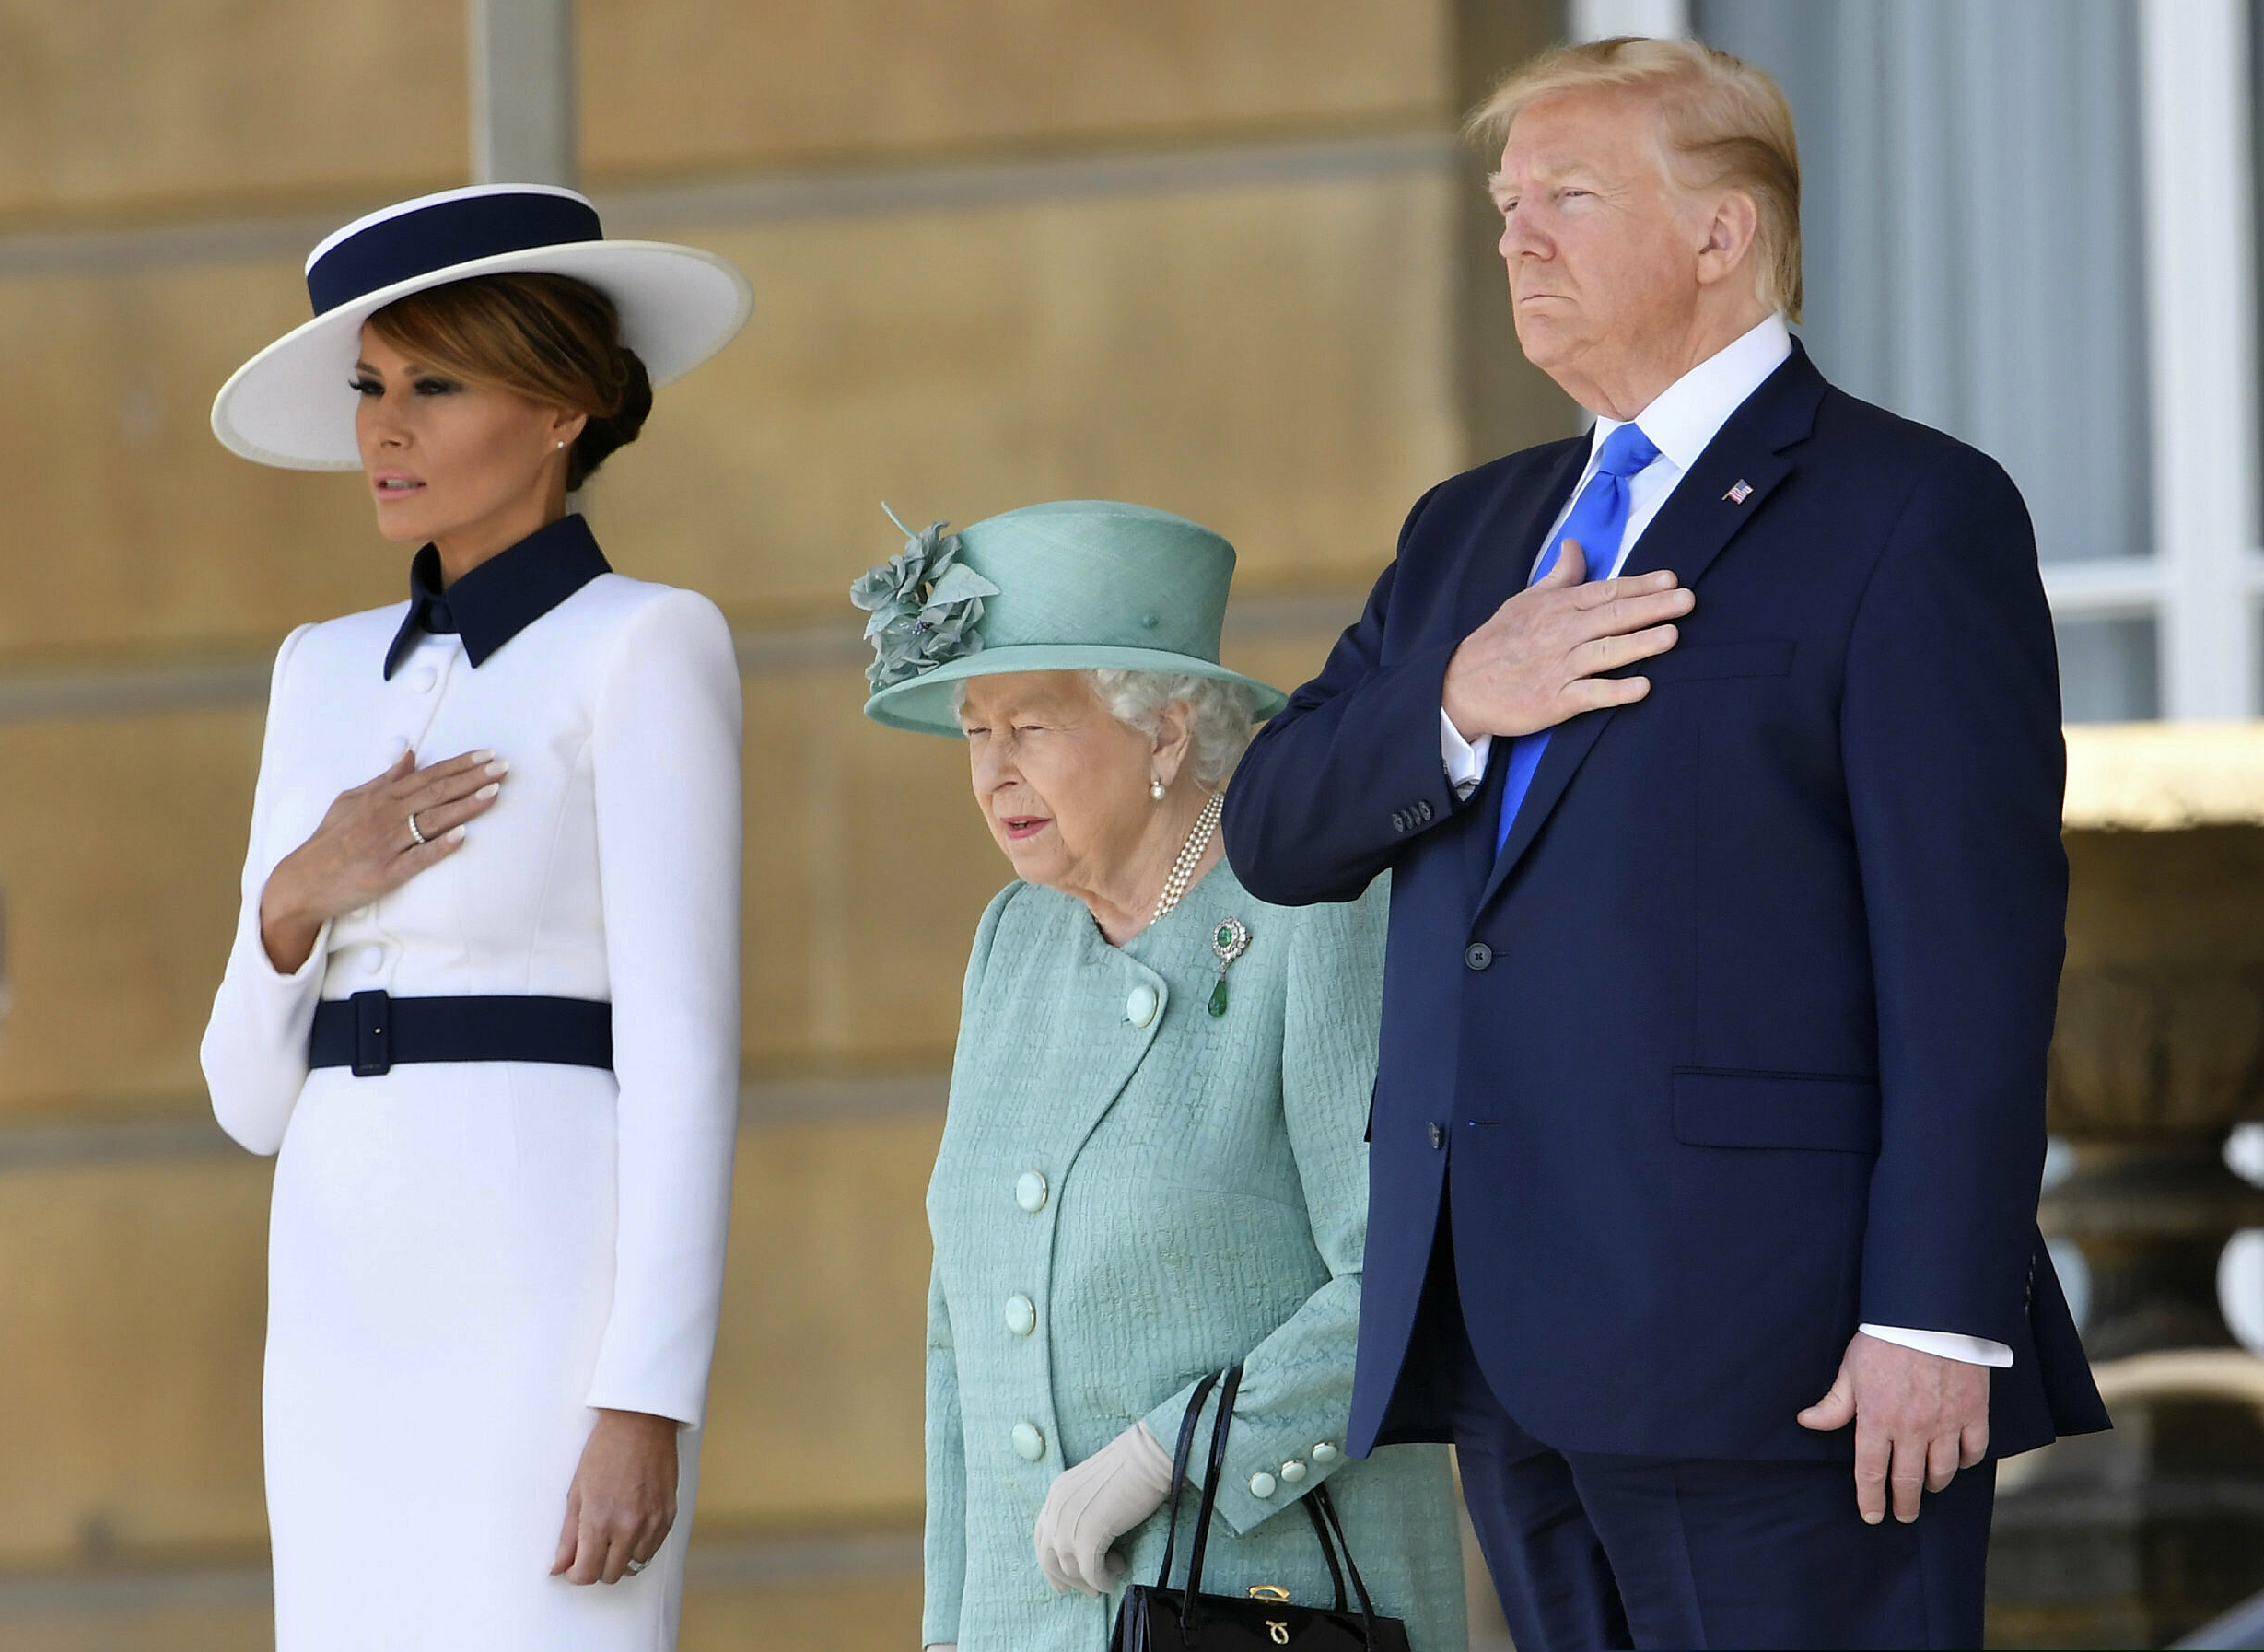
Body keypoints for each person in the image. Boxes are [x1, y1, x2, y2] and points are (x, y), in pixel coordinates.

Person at [1221, 37, 2109, 1652]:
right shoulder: (1467, 531)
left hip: (1794, 1357)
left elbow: (1970, 956)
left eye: (1564, 196)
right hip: (1501, 1334)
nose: (1514, 240)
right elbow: (1272, 825)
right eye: (1501, 206)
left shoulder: (1909, 511)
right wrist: (1456, 697)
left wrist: (1933, 1310)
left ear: (1722, 236)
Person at [200, 184, 752, 1650]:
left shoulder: (643, 643)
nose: (382, 428)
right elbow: (245, 1100)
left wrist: (645, 1393)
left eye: (433, 386)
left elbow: (687, 1056)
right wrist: (298, 890)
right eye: (371, 386)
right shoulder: (313, 672)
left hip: (540, 1289)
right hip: (334, 1283)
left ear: (565, 406)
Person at [851, 501, 1468, 1650]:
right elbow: (960, 1324)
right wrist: (950, 1626)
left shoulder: (1314, 916)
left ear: (1167, 735)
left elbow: (1398, 1274)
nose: (992, 775)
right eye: (976, 732)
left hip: (1262, 1606)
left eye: (1030, 726)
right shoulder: (1014, 941)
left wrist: (1170, 1451)